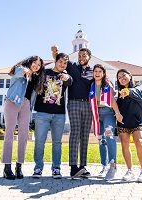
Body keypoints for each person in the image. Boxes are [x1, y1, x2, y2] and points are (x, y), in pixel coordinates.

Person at [51, 45, 93, 178]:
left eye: (84, 56)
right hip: (74, 102)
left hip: (88, 105)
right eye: (79, 56)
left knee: (85, 135)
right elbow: (59, 60)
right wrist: (55, 51)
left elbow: (101, 81)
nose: (81, 58)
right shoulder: (72, 66)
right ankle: (73, 167)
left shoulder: (93, 70)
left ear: (89, 57)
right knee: (75, 133)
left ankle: (82, 167)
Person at [1, 55, 45, 180]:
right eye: (34, 63)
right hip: (13, 102)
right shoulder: (20, 69)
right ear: (30, 62)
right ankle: (7, 167)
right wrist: (25, 71)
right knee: (9, 134)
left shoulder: (36, 78)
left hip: (26, 105)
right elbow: (19, 72)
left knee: (24, 136)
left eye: (39, 65)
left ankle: (19, 166)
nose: (36, 66)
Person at [32, 53, 72, 179]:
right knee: (39, 142)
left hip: (59, 115)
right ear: (55, 61)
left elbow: (70, 81)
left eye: (65, 63)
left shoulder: (65, 76)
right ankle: (38, 168)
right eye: (60, 62)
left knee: (57, 143)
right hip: (42, 113)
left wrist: (67, 78)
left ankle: (56, 168)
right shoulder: (44, 72)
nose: (62, 65)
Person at [89, 64, 123, 181]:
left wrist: (117, 113)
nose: (97, 73)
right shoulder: (92, 85)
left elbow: (112, 99)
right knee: (100, 139)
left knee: (109, 135)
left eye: (100, 71)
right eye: (95, 71)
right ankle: (104, 166)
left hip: (108, 112)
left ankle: (113, 165)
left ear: (103, 74)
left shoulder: (107, 85)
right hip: (97, 114)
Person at [116, 68, 142, 183]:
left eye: (123, 75)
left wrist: (128, 91)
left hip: (138, 121)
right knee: (124, 143)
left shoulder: (139, 87)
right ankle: (130, 171)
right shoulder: (120, 93)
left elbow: (138, 93)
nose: (122, 78)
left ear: (129, 75)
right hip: (124, 122)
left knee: (138, 141)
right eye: (119, 78)